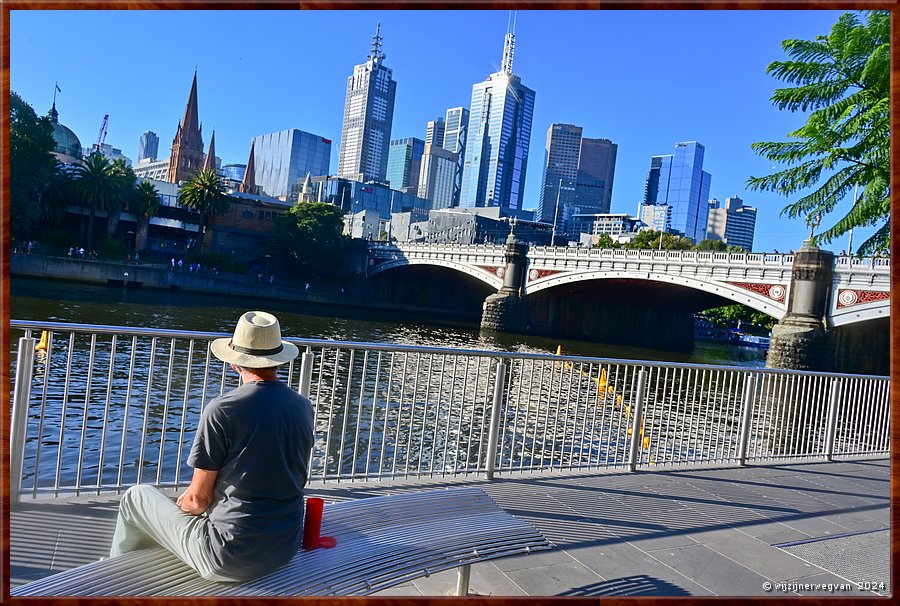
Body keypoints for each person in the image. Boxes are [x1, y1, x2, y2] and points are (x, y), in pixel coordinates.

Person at [109, 311, 315, 582]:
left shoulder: (224, 409)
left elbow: (198, 500)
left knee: (137, 497)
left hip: (229, 556)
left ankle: (113, 575)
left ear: (234, 363)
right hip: (284, 546)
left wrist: (178, 508)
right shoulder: (302, 406)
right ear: (278, 361)